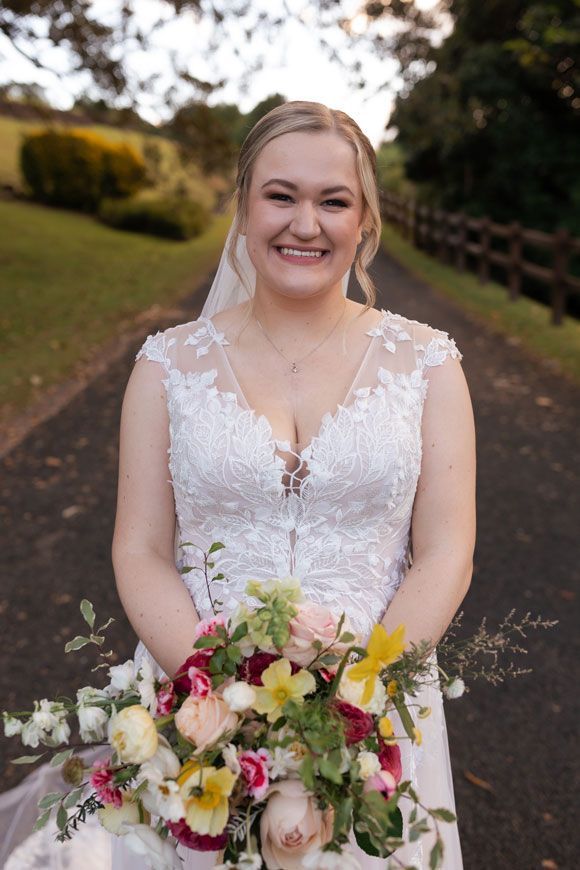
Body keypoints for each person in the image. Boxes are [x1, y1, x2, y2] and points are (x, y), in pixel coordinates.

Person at [1, 100, 476, 869]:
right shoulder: (166, 365)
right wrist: (211, 690)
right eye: (280, 196)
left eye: (333, 201)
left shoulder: (428, 364)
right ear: (244, 206)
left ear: (365, 219)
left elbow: (448, 550)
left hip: (373, 707)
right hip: (195, 710)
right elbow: (140, 548)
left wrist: (360, 692)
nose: (305, 224)